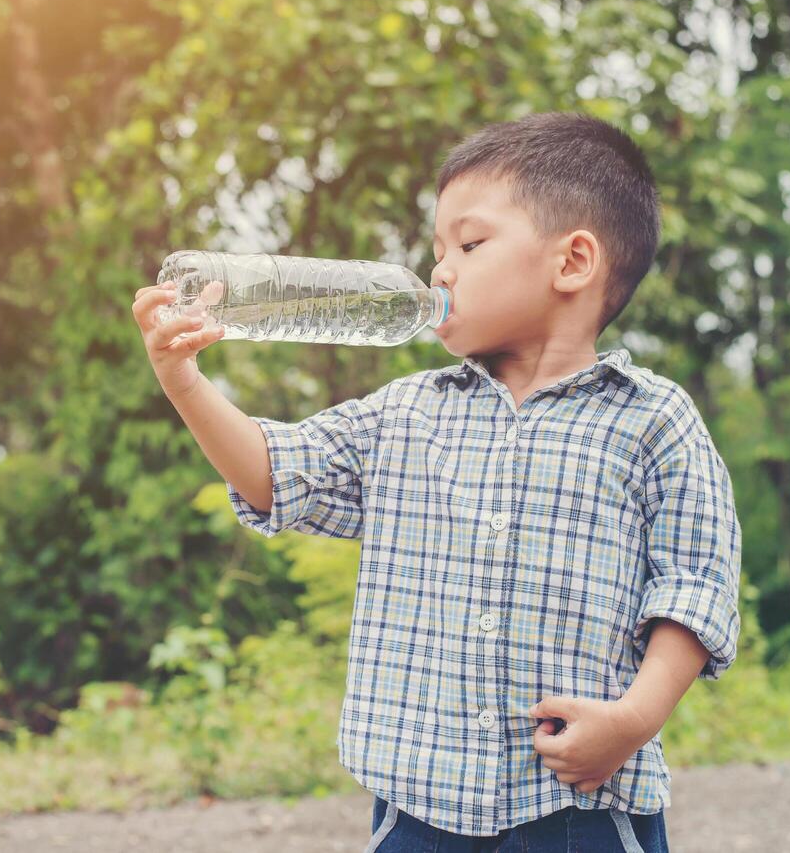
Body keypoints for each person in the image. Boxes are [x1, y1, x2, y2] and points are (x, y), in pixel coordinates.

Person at [130, 112, 742, 852]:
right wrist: (183, 382)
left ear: (572, 262)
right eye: (436, 251)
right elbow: (275, 473)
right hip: (417, 807)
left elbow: (693, 584)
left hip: (578, 806)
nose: (439, 271)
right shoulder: (405, 412)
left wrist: (631, 722)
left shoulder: (651, 419)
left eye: (470, 243)